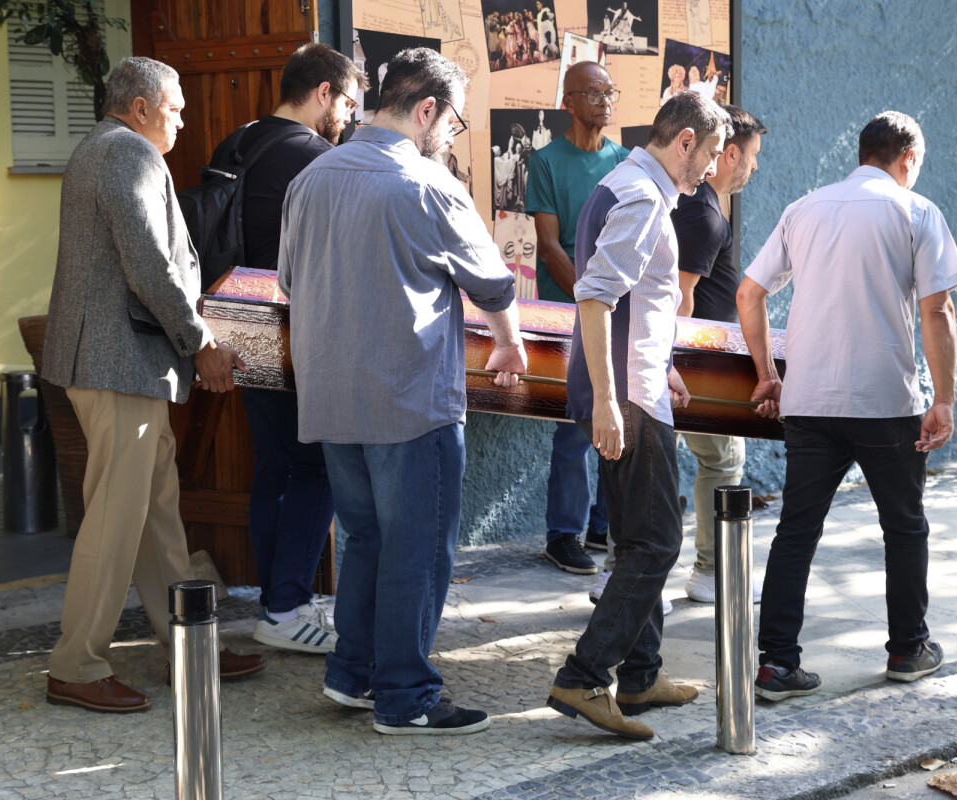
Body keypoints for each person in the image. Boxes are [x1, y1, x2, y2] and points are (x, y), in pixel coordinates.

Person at [279, 47, 528, 736]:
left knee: (365, 542)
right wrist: (507, 340)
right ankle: (407, 696)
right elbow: (492, 284)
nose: (450, 138)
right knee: (417, 549)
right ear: (426, 111)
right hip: (409, 397)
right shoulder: (426, 182)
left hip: (332, 397)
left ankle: (353, 675)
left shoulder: (311, 177)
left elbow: (291, 285)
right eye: (452, 124)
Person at [41, 57, 265, 713]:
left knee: (153, 514)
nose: (183, 118)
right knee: (116, 518)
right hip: (119, 366)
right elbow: (149, 265)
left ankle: (187, 644)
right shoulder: (126, 155)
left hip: (123, 365)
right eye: (173, 107)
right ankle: (76, 664)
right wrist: (201, 342)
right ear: (138, 107)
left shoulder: (107, 150)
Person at [736, 110, 957, 702]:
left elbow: (749, 291)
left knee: (796, 531)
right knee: (904, 526)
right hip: (884, 399)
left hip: (809, 399)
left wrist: (767, 374)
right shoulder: (916, 211)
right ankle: (907, 648)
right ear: (907, 159)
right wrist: (943, 399)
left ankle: (776, 666)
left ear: (862, 152)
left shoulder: (805, 208)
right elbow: (936, 310)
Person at [546, 91, 729, 740]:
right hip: (625, 394)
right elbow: (595, 297)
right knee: (657, 541)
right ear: (684, 142)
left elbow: (633, 301)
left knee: (635, 538)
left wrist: (664, 363)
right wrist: (606, 401)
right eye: (709, 152)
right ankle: (585, 676)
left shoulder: (621, 183)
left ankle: (642, 675)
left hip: (636, 384)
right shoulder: (643, 198)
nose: (712, 167)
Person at [206, 44, 367, 654]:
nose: (349, 117)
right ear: (323, 92)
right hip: (292, 326)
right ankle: (287, 605)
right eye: (347, 102)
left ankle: (279, 601)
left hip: (236, 317)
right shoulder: (314, 157)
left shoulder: (238, 141)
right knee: (315, 468)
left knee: (274, 468)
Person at [526, 62, 629, 577]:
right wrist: (592, 299)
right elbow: (549, 246)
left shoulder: (626, 160)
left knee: (617, 413)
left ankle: (602, 524)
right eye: (594, 93)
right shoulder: (545, 162)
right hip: (569, 308)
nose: (605, 101)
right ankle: (562, 534)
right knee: (575, 424)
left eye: (610, 91)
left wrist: (606, 304)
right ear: (568, 102)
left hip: (612, 309)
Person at [672, 105, 767, 605]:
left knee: (713, 460)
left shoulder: (705, 207)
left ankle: (701, 570)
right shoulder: (703, 213)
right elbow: (681, 296)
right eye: (752, 157)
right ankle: (710, 573)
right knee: (725, 460)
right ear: (730, 153)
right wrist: (678, 366)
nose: (755, 167)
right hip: (693, 366)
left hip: (693, 363)